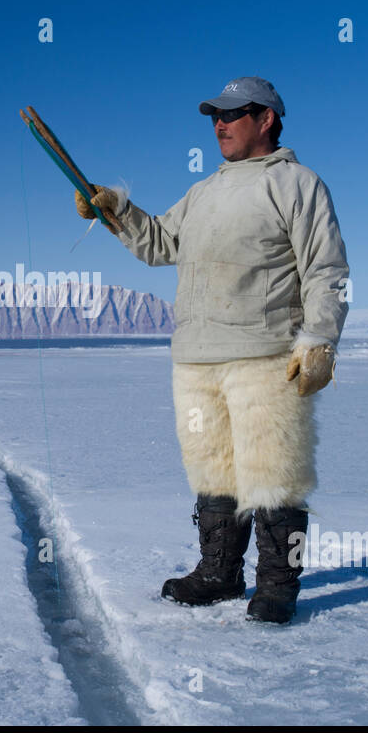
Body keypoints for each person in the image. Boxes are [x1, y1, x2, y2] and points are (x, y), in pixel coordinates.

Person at [75, 76, 350, 623]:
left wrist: (319, 338)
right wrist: (116, 210)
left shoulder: (298, 184)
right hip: (196, 358)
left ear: (266, 118)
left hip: (266, 356)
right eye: (213, 116)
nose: (219, 124)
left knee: (274, 475)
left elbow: (326, 270)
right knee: (213, 473)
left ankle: (276, 585)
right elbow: (159, 243)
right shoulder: (203, 192)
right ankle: (219, 573)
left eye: (233, 113)